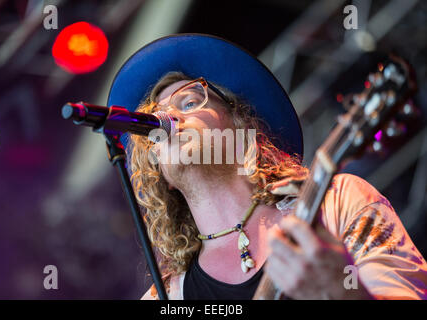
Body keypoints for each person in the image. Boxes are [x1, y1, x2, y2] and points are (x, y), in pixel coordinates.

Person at [107, 34, 427, 300]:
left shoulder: (335, 203)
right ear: (162, 172)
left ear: (240, 122)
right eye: (155, 123)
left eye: (189, 102)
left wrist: (345, 292)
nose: (169, 120)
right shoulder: (165, 297)